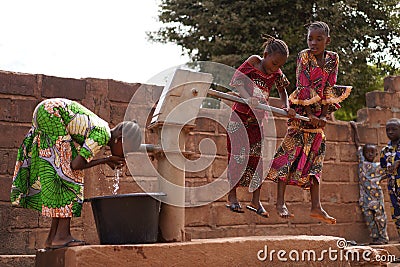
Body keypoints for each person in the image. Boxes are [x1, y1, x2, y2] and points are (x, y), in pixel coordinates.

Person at [10, 98, 142, 249]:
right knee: (70, 175)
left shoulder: (101, 127)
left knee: (61, 176)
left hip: (47, 111)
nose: (124, 156)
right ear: (120, 140)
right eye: (126, 151)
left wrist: (106, 160)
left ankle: (52, 238)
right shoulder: (103, 134)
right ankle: (62, 236)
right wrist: (106, 160)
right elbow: (76, 165)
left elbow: (74, 163)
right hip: (52, 113)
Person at [266, 21, 351, 223]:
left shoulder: (333, 59)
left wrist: (323, 115)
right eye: (310, 39)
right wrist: (309, 113)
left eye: (318, 39)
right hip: (301, 111)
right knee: (289, 154)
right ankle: (280, 202)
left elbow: (330, 87)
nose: (313, 43)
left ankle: (316, 206)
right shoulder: (304, 56)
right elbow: (302, 84)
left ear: (327, 41)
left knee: (316, 158)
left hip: (319, 114)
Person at [226, 35, 296, 217]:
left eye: (280, 65)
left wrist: (286, 106)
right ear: (265, 54)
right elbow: (235, 81)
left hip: (259, 119)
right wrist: (246, 97)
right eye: (274, 63)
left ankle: (255, 200)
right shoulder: (254, 62)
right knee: (237, 156)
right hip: (240, 116)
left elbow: (283, 90)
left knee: (259, 160)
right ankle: (232, 197)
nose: (276, 68)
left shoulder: (276, 72)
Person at [350, 121, 388, 245]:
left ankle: (383, 237)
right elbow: (357, 143)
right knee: (369, 219)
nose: (370, 154)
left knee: (380, 217)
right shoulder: (362, 161)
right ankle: (375, 238)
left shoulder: (379, 166)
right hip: (365, 199)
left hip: (376, 197)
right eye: (368, 152)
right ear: (364, 153)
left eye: (373, 152)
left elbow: (388, 172)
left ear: (376, 154)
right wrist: (354, 128)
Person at [380, 118, 400, 241]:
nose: (390, 132)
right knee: (397, 216)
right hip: (393, 189)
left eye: (394, 129)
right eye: (388, 130)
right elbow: (383, 168)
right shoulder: (384, 151)